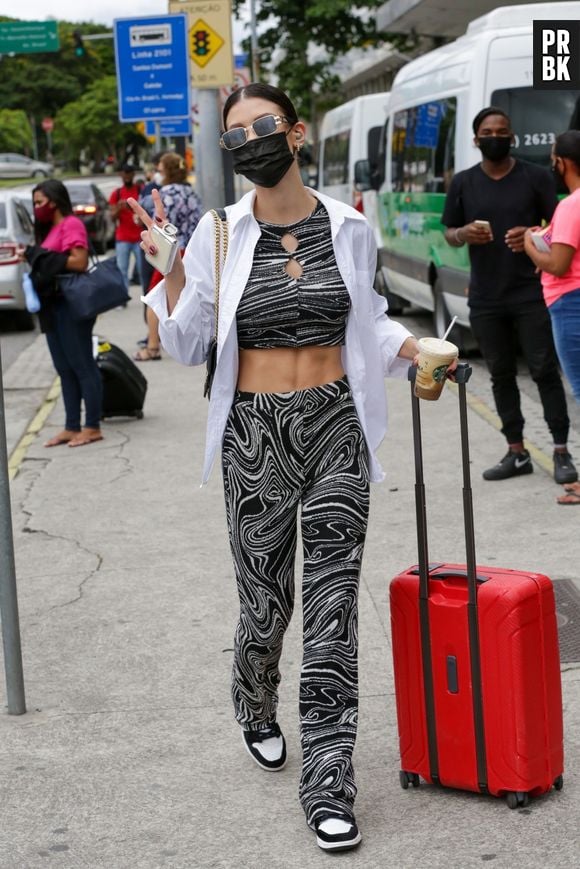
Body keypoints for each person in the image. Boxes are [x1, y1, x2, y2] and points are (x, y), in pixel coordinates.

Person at [127, 83, 422, 852]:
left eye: (264, 126)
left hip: (335, 429)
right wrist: (172, 272)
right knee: (266, 605)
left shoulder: (351, 227)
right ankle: (255, 700)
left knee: (332, 612)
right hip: (254, 435)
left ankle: (328, 780)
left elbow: (373, 323)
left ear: (294, 133)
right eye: (236, 136)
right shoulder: (218, 235)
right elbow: (190, 345)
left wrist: (418, 352)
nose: (252, 141)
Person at [442, 106, 577, 487]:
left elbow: (558, 224)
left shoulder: (534, 178)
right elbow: (449, 232)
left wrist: (532, 232)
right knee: (500, 375)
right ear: (476, 139)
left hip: (531, 294)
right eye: (488, 131)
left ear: (512, 138)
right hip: (486, 296)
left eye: (503, 131)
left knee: (544, 372)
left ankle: (562, 450)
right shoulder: (464, 183)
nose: (496, 136)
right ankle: (516, 451)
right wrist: (464, 233)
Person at [22, 180, 103, 447]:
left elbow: (79, 262)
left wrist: (43, 257)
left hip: (71, 305)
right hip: (52, 307)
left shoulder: (71, 224)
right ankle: (71, 426)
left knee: (82, 366)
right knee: (64, 369)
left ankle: (92, 426)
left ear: (54, 201)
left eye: (39, 202)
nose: (37, 208)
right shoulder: (51, 228)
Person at [523, 130, 580, 504]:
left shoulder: (571, 205)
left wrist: (531, 246)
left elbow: (558, 264)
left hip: (570, 304)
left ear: (561, 162)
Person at [134, 152, 201, 361]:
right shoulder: (191, 193)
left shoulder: (166, 193)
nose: (157, 173)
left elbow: (158, 224)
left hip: (170, 252)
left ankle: (153, 346)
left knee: (156, 297)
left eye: (160, 170)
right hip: (190, 251)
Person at [108, 163, 143, 291]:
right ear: (121, 175)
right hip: (123, 238)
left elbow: (148, 211)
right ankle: (123, 298)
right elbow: (112, 217)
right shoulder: (116, 194)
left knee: (142, 270)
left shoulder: (141, 190)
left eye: (129, 173)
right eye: (124, 173)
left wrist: (132, 207)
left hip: (140, 238)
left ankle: (147, 297)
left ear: (133, 174)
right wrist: (118, 207)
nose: (127, 176)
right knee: (122, 269)